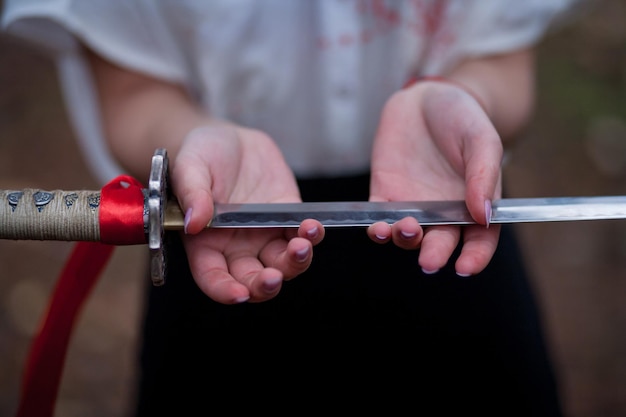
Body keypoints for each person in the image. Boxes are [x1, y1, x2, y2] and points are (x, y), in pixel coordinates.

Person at [2, 1, 587, 415]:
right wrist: (190, 143)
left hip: (443, 226)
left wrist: (467, 98)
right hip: (224, 237)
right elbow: (133, 95)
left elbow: (504, 63)